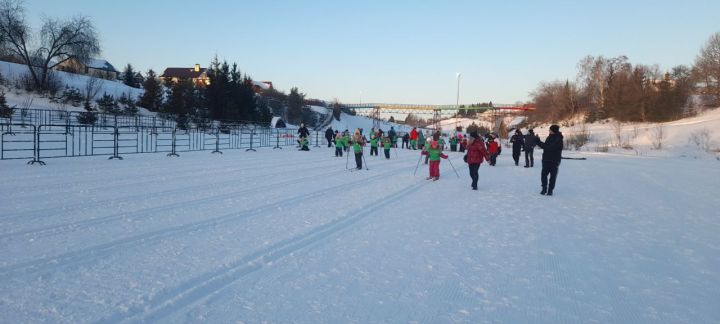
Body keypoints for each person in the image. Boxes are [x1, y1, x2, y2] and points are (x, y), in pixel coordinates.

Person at [536, 125, 564, 196]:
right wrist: (538, 141)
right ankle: (544, 188)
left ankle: (550, 190)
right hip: (546, 159)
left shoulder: (558, 139)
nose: (549, 131)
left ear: (553, 130)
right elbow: (546, 146)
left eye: (550, 130)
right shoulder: (549, 137)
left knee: (553, 176)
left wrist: (538, 142)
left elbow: (548, 147)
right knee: (543, 175)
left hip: (554, 160)